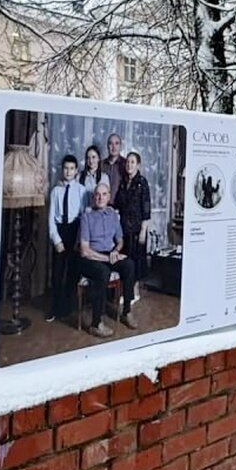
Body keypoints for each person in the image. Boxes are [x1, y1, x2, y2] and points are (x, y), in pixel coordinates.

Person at [78, 183, 138, 337]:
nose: (100, 197)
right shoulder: (86, 216)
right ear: (93, 197)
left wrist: (116, 252)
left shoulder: (112, 215)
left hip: (108, 254)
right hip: (91, 257)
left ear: (109, 196)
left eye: (104, 194)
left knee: (129, 265)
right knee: (103, 272)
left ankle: (126, 311)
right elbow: (84, 251)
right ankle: (96, 323)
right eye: (97, 194)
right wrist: (107, 258)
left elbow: (120, 240)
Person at [46, 155, 84, 322]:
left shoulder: (82, 190)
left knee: (73, 272)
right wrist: (56, 240)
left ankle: (68, 308)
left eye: (71, 168)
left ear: (76, 171)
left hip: (75, 230)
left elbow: (84, 216)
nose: (68, 171)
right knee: (57, 273)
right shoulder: (56, 191)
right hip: (61, 231)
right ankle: (55, 308)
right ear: (62, 170)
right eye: (65, 168)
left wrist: (79, 239)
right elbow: (51, 218)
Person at [114, 151, 152, 303]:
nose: (129, 165)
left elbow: (147, 208)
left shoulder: (142, 182)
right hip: (124, 229)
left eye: (132, 162)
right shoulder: (123, 182)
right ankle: (127, 292)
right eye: (128, 162)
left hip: (137, 229)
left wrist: (143, 230)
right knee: (126, 261)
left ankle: (134, 293)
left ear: (138, 165)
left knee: (136, 261)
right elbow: (117, 204)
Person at [104, 133, 126, 203]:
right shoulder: (100, 165)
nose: (114, 147)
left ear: (120, 146)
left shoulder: (126, 164)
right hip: (103, 206)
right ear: (107, 146)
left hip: (121, 206)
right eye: (111, 144)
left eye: (116, 143)